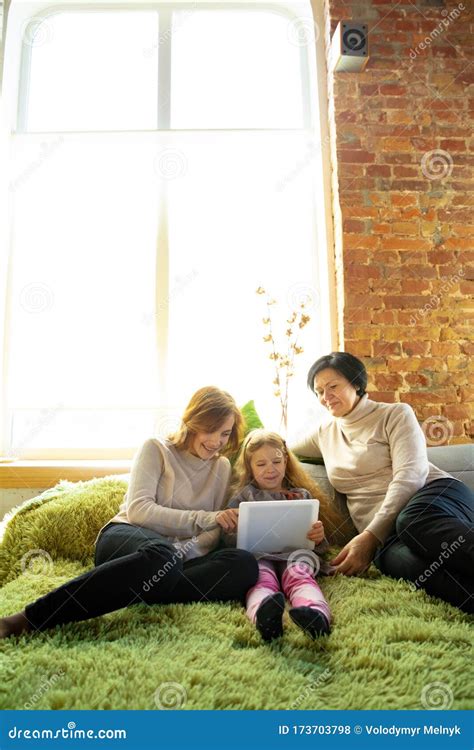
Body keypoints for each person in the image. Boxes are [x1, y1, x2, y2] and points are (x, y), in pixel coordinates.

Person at [0, 387, 259, 639]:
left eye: (225, 434)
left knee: (244, 564)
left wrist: (227, 527)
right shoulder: (157, 449)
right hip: (128, 537)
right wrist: (203, 521)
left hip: (174, 559)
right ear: (192, 421)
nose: (217, 442)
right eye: (210, 430)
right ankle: (28, 619)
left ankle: (140, 585)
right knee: (162, 558)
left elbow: (213, 532)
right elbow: (139, 511)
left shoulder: (222, 466)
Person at [290, 352, 474, 613]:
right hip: (385, 536)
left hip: (434, 498)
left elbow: (410, 476)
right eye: (319, 391)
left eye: (333, 386)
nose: (325, 396)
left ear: (356, 382)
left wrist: (370, 537)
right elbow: (285, 445)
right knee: (406, 564)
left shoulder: (395, 414)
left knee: (412, 522)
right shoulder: (325, 431)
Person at [223, 429, 334, 641]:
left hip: (295, 555)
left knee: (299, 575)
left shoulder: (301, 496)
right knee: (261, 579)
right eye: (261, 464)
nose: (270, 470)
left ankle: (317, 616)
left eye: (276, 462)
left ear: (285, 461)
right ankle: (264, 616)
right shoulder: (244, 497)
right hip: (259, 556)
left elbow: (318, 545)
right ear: (250, 467)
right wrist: (233, 529)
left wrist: (318, 537)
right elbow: (228, 541)